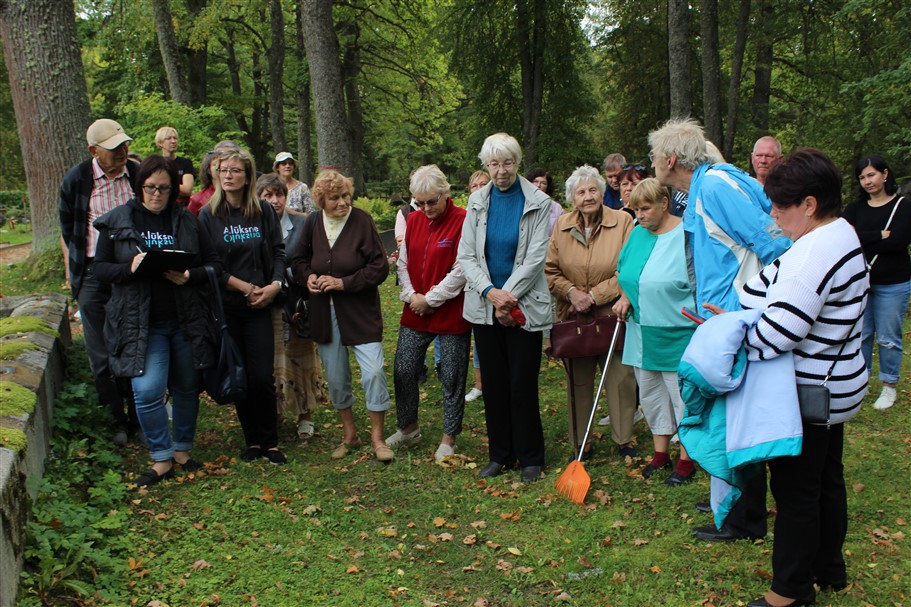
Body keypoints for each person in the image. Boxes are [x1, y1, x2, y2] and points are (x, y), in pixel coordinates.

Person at [708, 149, 868, 607]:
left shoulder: (814, 253)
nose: (773, 215)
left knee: (797, 491)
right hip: (838, 385)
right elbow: (761, 286)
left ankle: (790, 592)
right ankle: (828, 568)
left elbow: (780, 332)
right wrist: (741, 308)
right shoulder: (839, 233)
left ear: (810, 204)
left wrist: (733, 335)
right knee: (826, 479)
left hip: (811, 392)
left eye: (781, 206)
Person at [648, 117, 791, 542]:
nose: (652, 162)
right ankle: (732, 503)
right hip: (720, 319)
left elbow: (775, 242)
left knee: (739, 418)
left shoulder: (714, 187)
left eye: (655, 155)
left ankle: (744, 519)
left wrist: (749, 305)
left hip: (736, 321)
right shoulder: (700, 189)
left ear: (671, 158)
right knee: (727, 416)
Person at [93, 155, 219, 487]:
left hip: (184, 319)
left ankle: (181, 450)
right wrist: (129, 269)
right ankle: (161, 457)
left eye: (164, 188)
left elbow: (213, 266)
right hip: (141, 325)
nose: (157, 194)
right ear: (140, 186)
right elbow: (99, 269)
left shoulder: (188, 221)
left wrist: (191, 275)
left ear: (174, 188)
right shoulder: (118, 221)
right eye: (150, 187)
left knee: (187, 387)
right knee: (146, 390)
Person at [457, 132, 552, 483]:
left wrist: (506, 297)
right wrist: (490, 293)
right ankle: (500, 454)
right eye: (495, 164)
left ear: (517, 162)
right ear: (486, 165)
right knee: (493, 384)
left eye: (508, 162)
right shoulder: (478, 201)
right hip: (484, 308)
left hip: (524, 306)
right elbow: (466, 255)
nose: (502, 171)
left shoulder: (538, 202)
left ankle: (531, 457)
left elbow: (534, 258)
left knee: (521, 383)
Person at [290, 170, 393, 462]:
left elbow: (379, 267)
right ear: (321, 200)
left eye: (345, 195)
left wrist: (343, 283)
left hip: (359, 311)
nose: (342, 202)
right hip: (325, 312)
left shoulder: (362, 221)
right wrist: (308, 277)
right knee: (336, 377)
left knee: (373, 371)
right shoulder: (312, 222)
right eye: (334, 198)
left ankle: (378, 438)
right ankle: (349, 435)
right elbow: (298, 261)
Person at [197, 148, 288, 464]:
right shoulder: (208, 215)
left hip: (261, 305)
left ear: (248, 176)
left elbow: (278, 251)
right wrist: (244, 287)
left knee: (262, 375)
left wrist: (274, 285)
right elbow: (211, 264)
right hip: (228, 307)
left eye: (235, 170)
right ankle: (252, 441)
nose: (228, 175)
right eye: (223, 170)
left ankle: (270, 441)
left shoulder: (262, 211)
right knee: (241, 377)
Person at [545, 165, 638, 461]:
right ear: (572, 198)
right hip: (574, 316)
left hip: (613, 314)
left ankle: (624, 439)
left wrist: (595, 295)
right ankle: (580, 443)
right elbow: (550, 270)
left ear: (602, 192)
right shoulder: (561, 225)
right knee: (578, 381)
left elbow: (629, 267)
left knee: (621, 379)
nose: (588, 197)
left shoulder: (623, 221)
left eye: (593, 190)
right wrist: (572, 293)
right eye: (581, 192)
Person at [59, 118, 139, 446]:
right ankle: (115, 418)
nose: (122, 151)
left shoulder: (136, 173)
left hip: (133, 273)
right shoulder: (77, 180)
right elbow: (68, 229)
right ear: (93, 151)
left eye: (123, 145)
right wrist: (72, 270)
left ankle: (141, 414)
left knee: (135, 343)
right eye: (113, 148)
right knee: (101, 351)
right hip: (93, 272)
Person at [612, 178, 696, 484]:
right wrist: (624, 296)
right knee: (650, 393)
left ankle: (687, 459)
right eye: (636, 209)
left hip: (678, 330)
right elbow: (624, 272)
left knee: (682, 396)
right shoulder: (637, 234)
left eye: (645, 208)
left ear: (664, 203)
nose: (640, 215)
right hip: (641, 330)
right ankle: (661, 453)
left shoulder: (686, 235)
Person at [386, 165, 471, 461]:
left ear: (445, 193)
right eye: (419, 203)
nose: (426, 208)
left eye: (431, 201)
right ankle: (408, 428)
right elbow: (404, 262)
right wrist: (411, 296)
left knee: (451, 374)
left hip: (449, 311)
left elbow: (462, 269)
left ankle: (449, 437)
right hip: (415, 309)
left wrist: (431, 299)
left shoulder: (463, 220)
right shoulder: (415, 220)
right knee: (404, 369)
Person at [256, 173, 327, 440]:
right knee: (273, 361)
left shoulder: (302, 222)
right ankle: (275, 412)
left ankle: (305, 415)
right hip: (268, 304)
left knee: (302, 357)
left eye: (279, 195)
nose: (275, 201)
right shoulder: (254, 225)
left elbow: (312, 258)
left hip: (297, 304)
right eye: (268, 196)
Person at [844, 155, 911, 410]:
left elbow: (899, 242)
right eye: (862, 177)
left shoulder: (903, 207)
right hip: (861, 282)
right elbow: (847, 238)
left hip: (893, 283)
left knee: (888, 336)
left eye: (871, 175)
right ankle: (859, 384)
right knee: (861, 336)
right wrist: (879, 235)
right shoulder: (855, 209)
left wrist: (865, 238)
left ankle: (889, 386)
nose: (867, 181)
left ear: (885, 174)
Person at [465, 170, 490, 403]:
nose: (480, 188)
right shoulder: (468, 216)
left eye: (485, 184)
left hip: (498, 286)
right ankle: (479, 383)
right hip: (474, 286)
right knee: (478, 338)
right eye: (475, 185)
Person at [154, 126, 196, 205]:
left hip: (181, 206)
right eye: (169, 138)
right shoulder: (155, 164)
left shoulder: (185, 163)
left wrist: (164, 185)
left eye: (175, 138)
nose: (173, 141)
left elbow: (187, 190)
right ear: (160, 143)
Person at [526, 167, 564, 233]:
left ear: (547, 187)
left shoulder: (556, 208)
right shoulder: (521, 203)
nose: (538, 185)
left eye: (543, 183)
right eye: (535, 181)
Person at [188, 150, 219, 217]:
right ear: (208, 169)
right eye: (216, 164)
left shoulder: (234, 194)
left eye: (222, 164)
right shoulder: (198, 199)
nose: (220, 167)